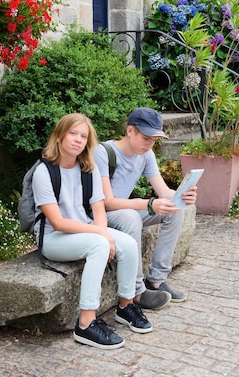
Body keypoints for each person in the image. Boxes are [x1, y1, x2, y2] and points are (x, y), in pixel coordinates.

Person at [32, 113, 152, 350]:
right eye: (73, 134)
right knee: (99, 245)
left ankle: (126, 306)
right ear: (59, 136)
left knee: (127, 243)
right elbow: (58, 222)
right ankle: (86, 324)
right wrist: (101, 235)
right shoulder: (43, 172)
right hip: (54, 239)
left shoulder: (89, 169)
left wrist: (102, 231)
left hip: (85, 231)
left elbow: (99, 209)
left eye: (83, 136)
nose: (78, 140)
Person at [94, 107, 197, 310]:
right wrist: (148, 204)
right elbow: (106, 201)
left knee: (175, 210)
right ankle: (137, 291)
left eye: (153, 139)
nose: (149, 143)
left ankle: (157, 280)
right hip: (99, 215)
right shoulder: (103, 152)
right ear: (130, 131)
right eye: (145, 137)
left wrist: (181, 196)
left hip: (123, 210)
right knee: (131, 217)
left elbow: (162, 191)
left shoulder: (146, 154)